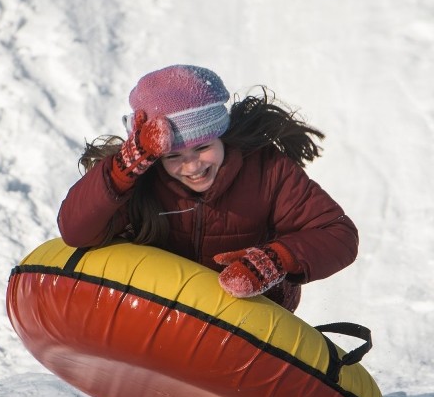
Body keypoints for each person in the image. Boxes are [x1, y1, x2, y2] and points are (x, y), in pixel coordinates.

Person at [57, 64, 358, 313]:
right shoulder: (142, 179)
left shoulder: (267, 171)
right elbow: (76, 231)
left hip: (248, 318)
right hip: (157, 310)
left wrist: (276, 260)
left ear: (221, 136)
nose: (191, 166)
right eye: (173, 156)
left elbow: (337, 233)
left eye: (202, 147)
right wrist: (121, 170)